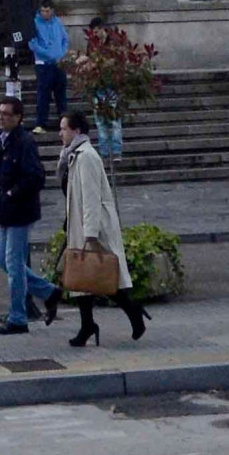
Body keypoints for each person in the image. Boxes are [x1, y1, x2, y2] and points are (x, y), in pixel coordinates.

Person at [57, 110, 149, 346]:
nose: (61, 133)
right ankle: (88, 325)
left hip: (92, 226)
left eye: (64, 128)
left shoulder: (86, 156)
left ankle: (134, 313)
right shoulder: (73, 155)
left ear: (77, 131)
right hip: (80, 223)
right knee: (82, 278)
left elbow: (90, 197)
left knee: (104, 275)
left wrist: (90, 233)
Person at [0, 96, 62, 335]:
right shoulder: (2, 140)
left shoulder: (25, 142)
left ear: (18, 117)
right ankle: (49, 291)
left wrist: (13, 192)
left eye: (7, 113)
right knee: (4, 261)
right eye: (0, 113)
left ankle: (18, 318)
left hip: (18, 210)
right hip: (4, 210)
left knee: (14, 264)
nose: (2, 117)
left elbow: (36, 177)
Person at [28, 0, 69, 134]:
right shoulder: (34, 23)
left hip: (58, 63)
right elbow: (33, 43)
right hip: (43, 64)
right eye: (43, 11)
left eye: (47, 11)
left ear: (52, 11)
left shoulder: (57, 22)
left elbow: (64, 39)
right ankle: (41, 123)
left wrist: (61, 53)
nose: (45, 13)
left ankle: (64, 121)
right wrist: (47, 54)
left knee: (60, 94)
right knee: (43, 95)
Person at [86, 17, 123, 161]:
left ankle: (116, 151)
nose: (96, 34)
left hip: (111, 85)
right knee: (100, 121)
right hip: (98, 85)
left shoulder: (113, 43)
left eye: (97, 31)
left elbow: (117, 61)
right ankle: (104, 152)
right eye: (93, 32)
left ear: (103, 29)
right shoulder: (92, 44)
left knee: (114, 121)